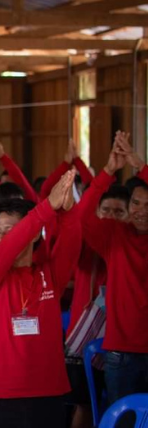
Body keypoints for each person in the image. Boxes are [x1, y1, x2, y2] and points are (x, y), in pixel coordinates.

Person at [0, 171, 80, 428]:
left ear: (33, 235)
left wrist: (68, 209)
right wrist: (45, 209)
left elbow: (72, 238)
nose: (0, 238)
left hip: (48, 391)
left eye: (10, 230)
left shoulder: (48, 274)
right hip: (1, 393)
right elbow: (9, 247)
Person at [77, 132, 148, 413]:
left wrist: (139, 164)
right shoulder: (115, 233)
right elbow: (81, 216)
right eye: (136, 204)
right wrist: (108, 171)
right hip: (121, 353)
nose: (142, 211)